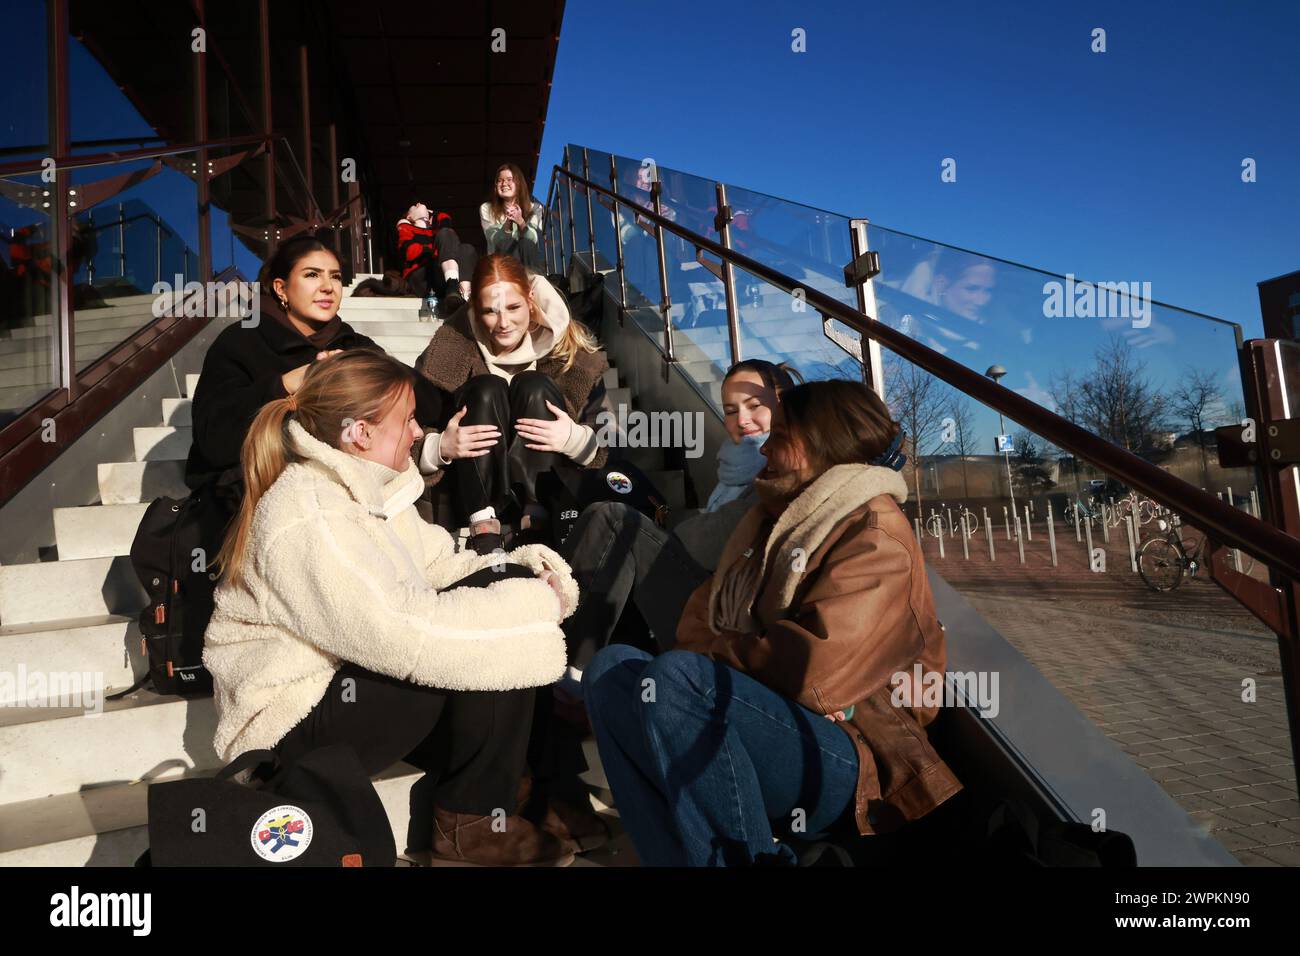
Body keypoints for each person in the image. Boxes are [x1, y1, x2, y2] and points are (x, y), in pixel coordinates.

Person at [202, 348, 585, 866]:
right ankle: (469, 821)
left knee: (503, 582)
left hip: (347, 692)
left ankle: (512, 787)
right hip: (284, 729)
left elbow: (440, 565)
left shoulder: (367, 490)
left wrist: (527, 574)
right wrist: (527, 610)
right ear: (359, 433)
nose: (418, 433)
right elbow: (398, 633)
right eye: (407, 421)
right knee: (460, 644)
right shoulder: (309, 515)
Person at [582, 379, 963, 866]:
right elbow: (695, 619)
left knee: (677, 679)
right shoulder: (773, 518)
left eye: (782, 433)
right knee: (611, 671)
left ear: (824, 439)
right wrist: (731, 653)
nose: (766, 445)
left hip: (854, 751)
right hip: (782, 718)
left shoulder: (875, 532)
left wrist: (721, 654)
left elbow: (815, 673)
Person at [182, 236, 442, 662]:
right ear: (281, 288)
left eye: (336, 277)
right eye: (312, 275)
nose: (328, 287)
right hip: (267, 499)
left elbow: (428, 402)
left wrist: (354, 372)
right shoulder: (240, 342)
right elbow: (213, 438)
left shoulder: (352, 344)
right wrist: (290, 382)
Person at [556, 360, 801, 688]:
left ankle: (566, 665)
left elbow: (710, 541)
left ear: (784, 402)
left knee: (614, 521)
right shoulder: (736, 467)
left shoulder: (788, 465)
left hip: (729, 627)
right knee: (616, 540)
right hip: (709, 601)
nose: (741, 420)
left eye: (755, 406)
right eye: (730, 410)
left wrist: (674, 533)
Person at [413, 252, 609, 552]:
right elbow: (402, 438)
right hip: (469, 506)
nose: (503, 323)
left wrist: (572, 438)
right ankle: (483, 524)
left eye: (514, 307)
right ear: (475, 309)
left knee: (533, 386)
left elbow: (607, 445)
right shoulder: (444, 356)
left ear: (530, 299)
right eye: (490, 311)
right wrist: (439, 447)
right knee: (486, 389)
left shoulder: (576, 358)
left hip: (552, 502)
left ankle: (536, 517)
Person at [396, 203, 477, 312]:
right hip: (422, 277)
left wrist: (432, 214)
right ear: (409, 217)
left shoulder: (436, 230)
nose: (419, 204)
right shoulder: (405, 227)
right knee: (446, 238)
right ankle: (455, 288)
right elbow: (409, 252)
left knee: (466, 248)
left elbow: (446, 220)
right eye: (415, 206)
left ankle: (463, 294)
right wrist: (436, 249)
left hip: (442, 278)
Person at [480, 164, 545, 271]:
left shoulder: (534, 208)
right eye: (500, 180)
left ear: (519, 184)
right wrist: (507, 225)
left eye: (509, 179)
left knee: (526, 243)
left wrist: (520, 222)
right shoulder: (487, 208)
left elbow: (534, 238)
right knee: (506, 243)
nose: (504, 183)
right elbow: (493, 239)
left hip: (527, 262)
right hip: (500, 264)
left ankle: (534, 280)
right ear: (496, 187)